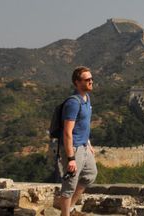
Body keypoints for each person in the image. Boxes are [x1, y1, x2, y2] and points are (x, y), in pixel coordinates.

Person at [58, 67, 97, 216]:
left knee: (90, 175)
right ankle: (65, 214)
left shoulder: (86, 99)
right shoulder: (73, 103)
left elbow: (83, 125)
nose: (91, 81)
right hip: (73, 148)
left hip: (83, 146)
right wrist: (71, 158)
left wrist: (88, 143)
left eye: (91, 79)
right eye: (87, 80)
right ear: (77, 82)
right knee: (70, 185)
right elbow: (67, 132)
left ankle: (71, 206)